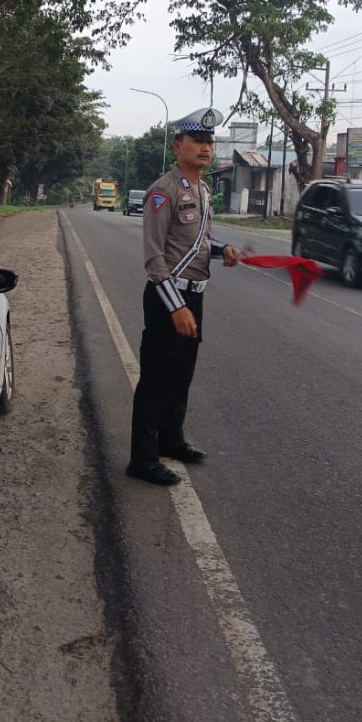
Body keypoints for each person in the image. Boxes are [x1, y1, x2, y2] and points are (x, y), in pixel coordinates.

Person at [127, 107, 240, 486]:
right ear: (178, 145)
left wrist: (223, 250)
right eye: (198, 141)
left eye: (209, 141)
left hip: (194, 296)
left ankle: (171, 441)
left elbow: (197, 243)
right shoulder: (164, 192)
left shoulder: (203, 190)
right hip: (167, 298)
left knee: (181, 376)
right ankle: (142, 459)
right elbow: (154, 257)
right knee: (155, 380)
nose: (206, 148)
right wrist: (175, 306)